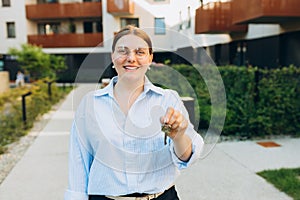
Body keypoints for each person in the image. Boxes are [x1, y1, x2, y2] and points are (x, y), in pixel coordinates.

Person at [65, 25, 204, 200]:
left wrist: (179, 136)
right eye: (123, 51)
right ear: (112, 57)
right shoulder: (90, 104)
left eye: (140, 52)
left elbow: (186, 158)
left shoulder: (168, 100)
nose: (131, 58)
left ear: (150, 58)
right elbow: (79, 163)